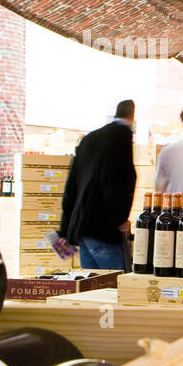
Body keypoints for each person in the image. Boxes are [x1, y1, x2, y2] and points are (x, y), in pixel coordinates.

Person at [60, 100, 137, 270]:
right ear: (132, 115)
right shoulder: (121, 135)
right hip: (104, 228)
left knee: (92, 288)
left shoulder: (90, 137)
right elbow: (116, 181)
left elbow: (71, 186)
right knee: (117, 287)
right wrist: (120, 219)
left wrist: (65, 229)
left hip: (82, 229)